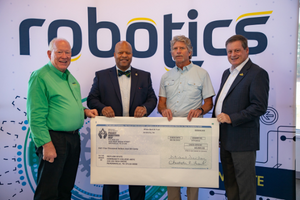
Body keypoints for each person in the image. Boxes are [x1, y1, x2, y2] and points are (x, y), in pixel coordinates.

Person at [27, 38, 98, 200]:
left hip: (73, 139)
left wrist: (85, 112)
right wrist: (46, 144)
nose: (64, 56)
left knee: (65, 188)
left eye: (68, 53)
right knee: (48, 191)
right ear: (49, 54)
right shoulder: (40, 77)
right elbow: (35, 116)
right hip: (53, 139)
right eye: (59, 52)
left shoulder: (68, 76)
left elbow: (67, 105)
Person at [87, 41, 157, 200]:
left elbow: (152, 98)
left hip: (137, 137)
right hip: (111, 138)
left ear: (132, 55)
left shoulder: (145, 76)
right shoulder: (101, 75)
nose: (124, 56)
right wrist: (102, 107)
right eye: (120, 52)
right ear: (114, 55)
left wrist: (145, 108)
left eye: (128, 53)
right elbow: (92, 99)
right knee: (111, 182)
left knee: (137, 181)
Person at [157, 35, 215, 200]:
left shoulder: (202, 74)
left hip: (193, 133)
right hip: (170, 133)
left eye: (182, 48)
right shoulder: (165, 77)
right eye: (175, 49)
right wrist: (163, 111)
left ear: (190, 52)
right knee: (171, 174)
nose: (178, 51)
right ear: (171, 53)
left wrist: (200, 110)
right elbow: (161, 104)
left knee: (192, 175)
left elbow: (209, 103)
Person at [213, 35, 269, 200]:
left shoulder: (258, 73)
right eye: (229, 51)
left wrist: (231, 118)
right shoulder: (227, 73)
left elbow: (259, 107)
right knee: (230, 185)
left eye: (237, 50)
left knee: (245, 187)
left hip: (243, 141)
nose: (233, 54)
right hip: (226, 139)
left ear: (246, 50)